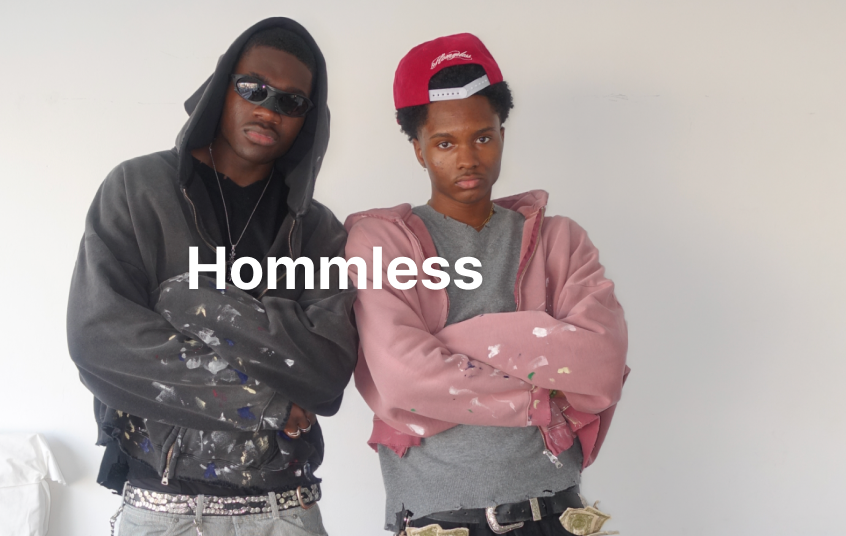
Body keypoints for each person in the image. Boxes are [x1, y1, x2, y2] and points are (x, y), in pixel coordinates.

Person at [66, 17, 357, 536]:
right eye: (253, 88)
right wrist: (263, 402)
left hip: (283, 512)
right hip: (160, 508)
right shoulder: (138, 189)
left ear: (308, 119)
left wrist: (187, 301)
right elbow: (100, 340)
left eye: (292, 101)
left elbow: (326, 371)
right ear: (222, 87)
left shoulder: (316, 230)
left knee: (185, 297)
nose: (269, 109)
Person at [345, 33, 630, 536]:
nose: (468, 158)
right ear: (418, 150)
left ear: (502, 134)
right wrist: (540, 392)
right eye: (444, 143)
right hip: (441, 521)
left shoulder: (559, 240)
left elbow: (601, 364)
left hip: (556, 514)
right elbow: (404, 379)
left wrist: (447, 346)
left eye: (482, 137)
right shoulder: (381, 243)